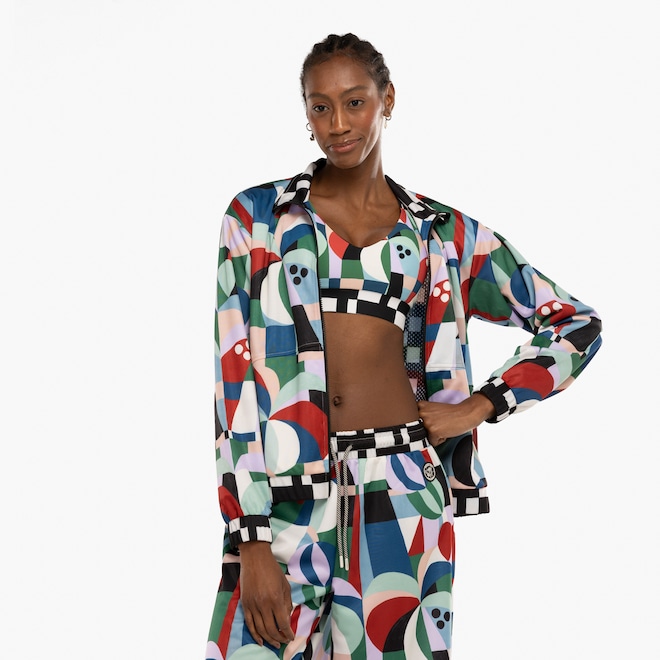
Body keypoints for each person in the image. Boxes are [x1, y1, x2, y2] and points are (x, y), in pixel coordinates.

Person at [206, 33, 602, 660]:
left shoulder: (441, 234)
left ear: (387, 100)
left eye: (355, 102)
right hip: (284, 499)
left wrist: (480, 406)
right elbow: (235, 381)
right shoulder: (256, 218)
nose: (338, 123)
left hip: (402, 489)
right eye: (320, 107)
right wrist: (250, 537)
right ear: (306, 114)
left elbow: (575, 324)